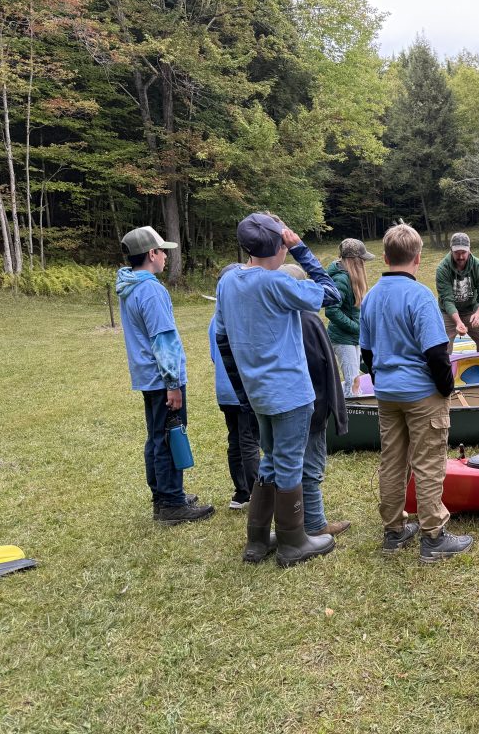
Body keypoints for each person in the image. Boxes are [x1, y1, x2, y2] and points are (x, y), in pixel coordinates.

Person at [214, 212, 341, 567]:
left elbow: (223, 337)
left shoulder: (229, 282)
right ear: (281, 244)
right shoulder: (275, 283)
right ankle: (293, 541)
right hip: (290, 392)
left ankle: (257, 540)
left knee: (270, 459)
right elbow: (331, 293)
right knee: (288, 463)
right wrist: (302, 249)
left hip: (256, 394)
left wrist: (243, 390)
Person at [360, 223, 474, 562]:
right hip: (421, 394)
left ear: (384, 257)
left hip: (388, 393)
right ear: (418, 258)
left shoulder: (371, 297)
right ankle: (434, 536)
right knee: (427, 463)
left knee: (392, 460)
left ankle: (394, 530)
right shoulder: (421, 296)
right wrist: (446, 389)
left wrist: (382, 381)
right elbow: (437, 353)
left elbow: (367, 353)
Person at [116, 225, 214, 525]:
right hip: (162, 379)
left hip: (147, 377)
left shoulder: (129, 285)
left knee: (157, 437)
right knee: (170, 437)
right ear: (151, 254)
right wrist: (173, 384)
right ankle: (171, 504)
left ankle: (164, 496)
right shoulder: (151, 290)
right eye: (162, 252)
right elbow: (163, 339)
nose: (166, 258)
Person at [279, 263, 351, 538]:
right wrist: (332, 408)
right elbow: (324, 369)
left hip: (280, 404)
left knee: (283, 463)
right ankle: (314, 523)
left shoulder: (271, 319)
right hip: (309, 405)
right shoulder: (308, 320)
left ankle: (287, 523)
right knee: (310, 466)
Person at [208, 263, 259, 510]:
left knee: (235, 440)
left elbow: (213, 354)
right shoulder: (238, 316)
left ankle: (240, 492)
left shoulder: (213, 320)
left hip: (224, 390)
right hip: (241, 389)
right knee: (249, 440)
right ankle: (254, 492)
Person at [326, 238, 375, 397]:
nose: (364, 264)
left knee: (356, 379)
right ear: (354, 261)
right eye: (362, 260)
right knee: (352, 381)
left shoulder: (349, 278)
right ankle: (349, 415)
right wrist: (356, 327)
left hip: (353, 337)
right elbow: (332, 311)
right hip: (342, 339)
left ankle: (356, 400)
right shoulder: (341, 280)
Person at [435, 232, 479, 353]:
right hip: (448, 313)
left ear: (469, 250)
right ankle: (446, 370)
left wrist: (478, 314)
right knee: (441, 348)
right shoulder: (442, 269)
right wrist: (458, 322)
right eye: (457, 253)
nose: (460, 257)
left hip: (472, 309)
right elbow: (447, 300)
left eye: (463, 253)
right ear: (451, 250)